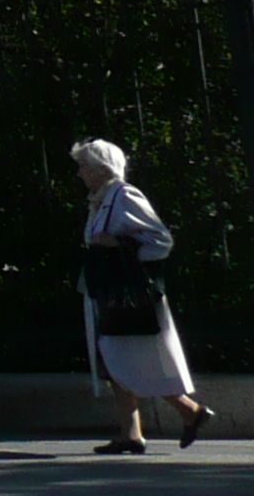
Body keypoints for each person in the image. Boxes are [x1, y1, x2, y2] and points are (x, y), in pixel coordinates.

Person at [76, 138, 214, 453]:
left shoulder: (124, 196)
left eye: (83, 166)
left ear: (101, 168)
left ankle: (188, 411)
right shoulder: (102, 199)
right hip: (109, 293)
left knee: (128, 360)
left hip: (128, 296)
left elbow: (160, 241)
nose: (80, 173)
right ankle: (132, 432)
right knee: (115, 359)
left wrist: (119, 246)